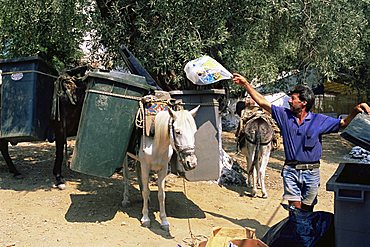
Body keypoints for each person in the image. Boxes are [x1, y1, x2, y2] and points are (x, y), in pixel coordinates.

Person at [232, 73, 370, 211]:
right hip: (290, 171)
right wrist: (245, 84)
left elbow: (343, 123)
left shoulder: (319, 120)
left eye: (293, 99)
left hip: (312, 173)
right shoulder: (284, 116)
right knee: (296, 210)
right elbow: (262, 101)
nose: (290, 101)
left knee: (307, 210)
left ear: (303, 103)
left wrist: (355, 110)